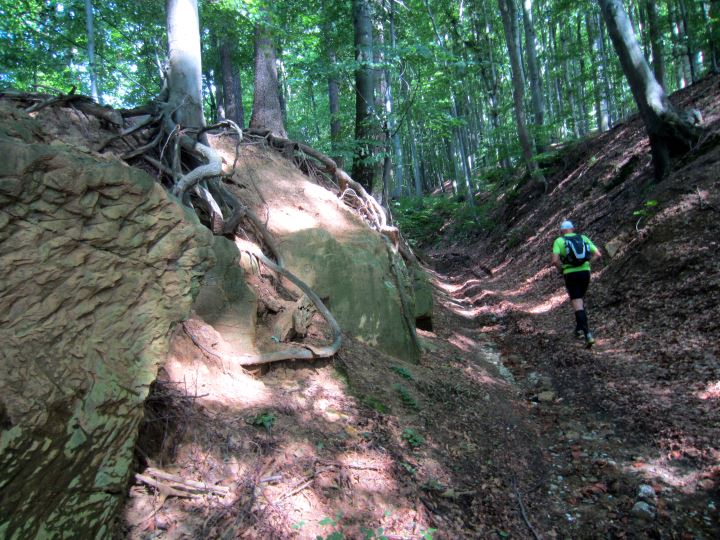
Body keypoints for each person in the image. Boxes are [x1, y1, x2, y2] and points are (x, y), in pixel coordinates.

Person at [551, 220, 602, 347]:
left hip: (571, 274)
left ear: (562, 231)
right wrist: (588, 264)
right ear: (573, 229)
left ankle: (587, 334)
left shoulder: (559, 241)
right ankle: (579, 329)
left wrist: (561, 270)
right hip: (585, 273)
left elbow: (555, 261)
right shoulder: (583, 238)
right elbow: (597, 254)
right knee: (580, 300)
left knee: (577, 303)